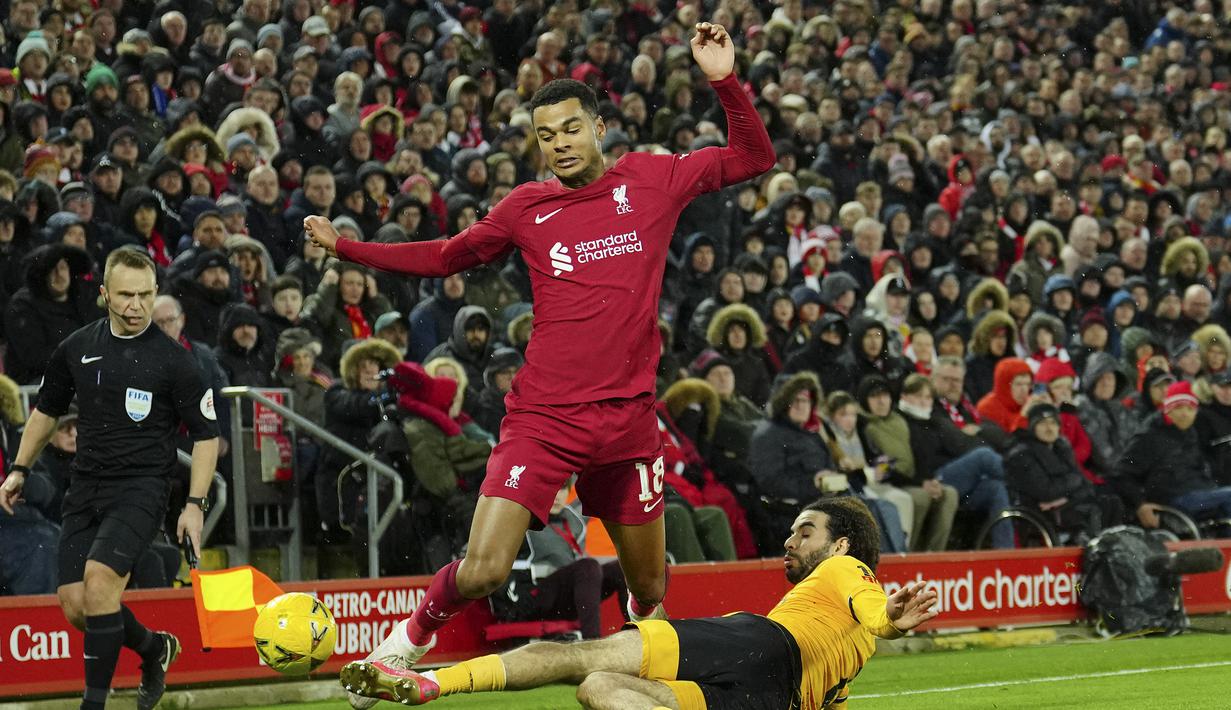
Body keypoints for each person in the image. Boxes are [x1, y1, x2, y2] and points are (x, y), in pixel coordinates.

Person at [309, 22, 775, 697]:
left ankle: (640, 656)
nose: (558, 143)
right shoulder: (525, 208)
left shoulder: (654, 178)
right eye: (545, 135)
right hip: (544, 419)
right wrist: (346, 247)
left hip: (628, 422)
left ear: (598, 128)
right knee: (483, 570)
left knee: (650, 586)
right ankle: (399, 648)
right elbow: (444, 256)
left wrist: (723, 80)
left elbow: (754, 157)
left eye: (570, 129)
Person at [340, 496, 939, 708]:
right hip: (770, 699)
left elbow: (873, 606)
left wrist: (890, 617)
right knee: (599, 688)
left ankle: (432, 683)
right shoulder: (852, 652)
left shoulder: (845, 568)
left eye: (804, 531)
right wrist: (883, 623)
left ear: (840, 544)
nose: (789, 540)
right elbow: (866, 628)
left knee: (579, 657)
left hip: (762, 643)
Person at [0, 247, 220, 710]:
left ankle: (93, 704)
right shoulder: (77, 347)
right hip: (85, 488)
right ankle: (154, 648)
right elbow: (46, 412)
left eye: (145, 295)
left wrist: (194, 506)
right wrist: (19, 468)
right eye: (125, 295)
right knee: (77, 605)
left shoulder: (175, 361)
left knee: (100, 583)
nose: (136, 305)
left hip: (142, 489)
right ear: (104, 293)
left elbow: (206, 436)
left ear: (155, 291)